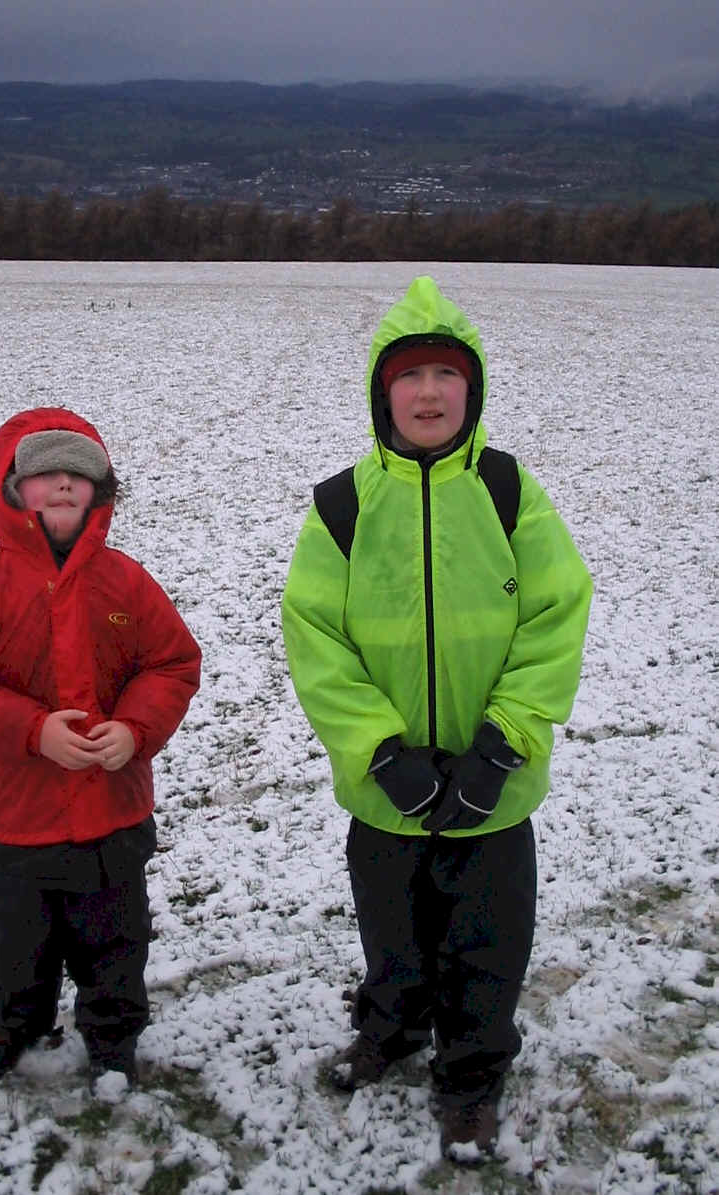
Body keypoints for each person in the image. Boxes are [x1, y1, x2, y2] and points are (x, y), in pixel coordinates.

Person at [281, 277, 591, 1157]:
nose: (426, 393)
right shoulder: (340, 505)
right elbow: (315, 637)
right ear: (382, 392)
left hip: (493, 790)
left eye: (445, 376)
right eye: (409, 376)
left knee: (486, 946)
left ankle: (470, 1074)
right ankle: (391, 1028)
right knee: (392, 932)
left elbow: (556, 614)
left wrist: (503, 743)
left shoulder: (507, 491)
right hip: (388, 794)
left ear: (472, 390)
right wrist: (379, 751)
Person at [0, 407, 201, 1086]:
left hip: (114, 813)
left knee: (115, 942)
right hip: (17, 818)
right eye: (46, 474)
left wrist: (133, 729)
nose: (64, 484)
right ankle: (12, 1028)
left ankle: (112, 1041)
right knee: (22, 946)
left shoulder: (126, 581)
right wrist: (30, 728)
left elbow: (171, 664)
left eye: (79, 473)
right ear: (14, 490)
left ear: (101, 492)